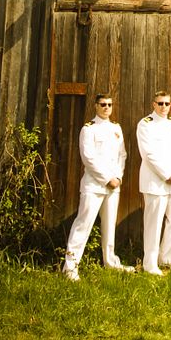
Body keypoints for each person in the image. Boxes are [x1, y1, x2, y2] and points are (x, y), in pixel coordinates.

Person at [62, 93, 133, 280]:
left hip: (113, 186)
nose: (106, 108)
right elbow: (88, 158)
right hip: (94, 186)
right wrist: (107, 178)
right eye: (103, 104)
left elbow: (122, 155)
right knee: (82, 225)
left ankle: (110, 262)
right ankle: (70, 268)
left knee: (109, 227)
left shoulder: (116, 128)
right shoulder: (88, 129)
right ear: (96, 106)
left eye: (109, 104)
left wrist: (118, 177)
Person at [136, 90, 171, 275]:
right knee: (154, 223)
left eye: (167, 103)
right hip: (155, 181)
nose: (164, 107)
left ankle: (166, 257)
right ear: (154, 104)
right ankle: (150, 264)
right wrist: (166, 174)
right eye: (160, 103)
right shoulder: (145, 124)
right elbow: (148, 154)